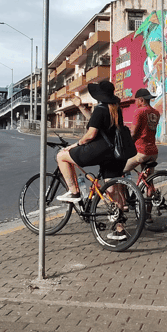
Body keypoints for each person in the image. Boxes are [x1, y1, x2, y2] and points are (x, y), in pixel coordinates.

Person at [55, 80, 127, 239]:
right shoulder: (115, 109)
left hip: (99, 150)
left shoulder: (101, 109)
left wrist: (75, 145)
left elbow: (91, 134)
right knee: (112, 190)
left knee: (61, 156)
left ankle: (74, 192)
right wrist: (81, 106)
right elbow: (97, 122)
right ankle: (120, 229)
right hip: (115, 154)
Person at [122, 88, 160, 175]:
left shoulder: (139, 111)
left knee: (120, 171)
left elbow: (133, 133)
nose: (135, 103)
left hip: (141, 151)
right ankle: (150, 188)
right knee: (148, 179)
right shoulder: (156, 112)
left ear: (141, 100)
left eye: (136, 101)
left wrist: (127, 144)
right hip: (153, 151)